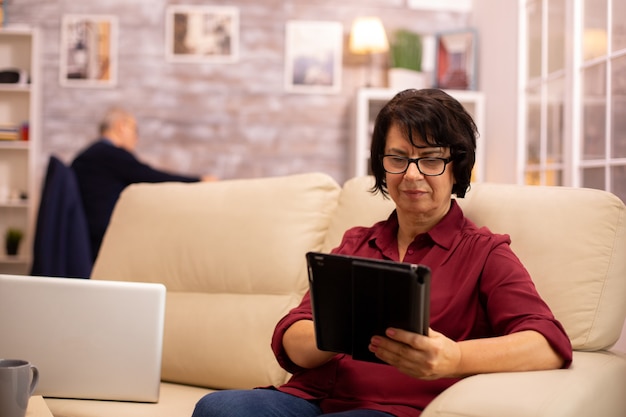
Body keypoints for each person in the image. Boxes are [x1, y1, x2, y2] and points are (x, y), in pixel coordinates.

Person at [191, 89, 573, 417]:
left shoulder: (485, 252)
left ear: (457, 168)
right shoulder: (358, 243)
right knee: (217, 409)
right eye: (397, 158)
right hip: (309, 398)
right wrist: (332, 335)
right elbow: (293, 333)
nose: (411, 174)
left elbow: (547, 343)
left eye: (430, 159)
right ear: (381, 166)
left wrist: (454, 358)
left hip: (390, 408)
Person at [71, 107, 216, 262]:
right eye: (135, 130)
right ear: (121, 126)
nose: (136, 138)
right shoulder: (110, 154)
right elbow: (151, 177)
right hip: (103, 238)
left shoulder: (89, 154)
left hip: (86, 235)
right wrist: (199, 181)